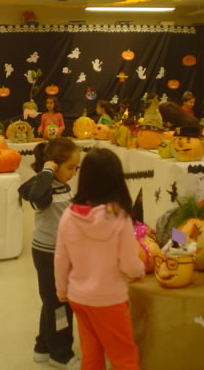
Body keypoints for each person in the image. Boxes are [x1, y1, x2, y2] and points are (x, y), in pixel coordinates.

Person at [55, 147, 145, 370]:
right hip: (109, 299)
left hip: (78, 297)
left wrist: (62, 290)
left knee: (91, 354)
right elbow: (129, 263)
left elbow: (61, 259)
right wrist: (139, 271)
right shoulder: (118, 215)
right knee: (123, 356)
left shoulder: (70, 214)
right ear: (117, 180)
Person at [18, 138, 81, 370]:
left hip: (61, 253)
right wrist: (46, 170)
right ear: (54, 166)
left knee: (52, 301)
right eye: (70, 168)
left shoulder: (62, 186)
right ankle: (60, 353)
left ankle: (43, 345)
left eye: (76, 168)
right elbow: (33, 195)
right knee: (60, 304)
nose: (74, 173)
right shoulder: (43, 187)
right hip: (48, 254)